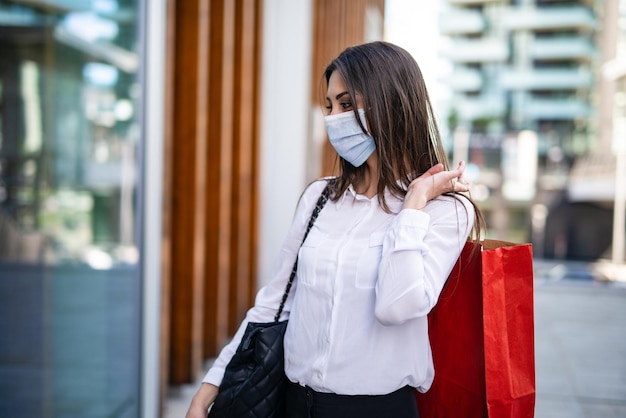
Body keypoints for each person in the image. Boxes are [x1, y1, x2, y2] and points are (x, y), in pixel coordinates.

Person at [185, 41, 484, 418]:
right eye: (329, 106)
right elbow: (274, 303)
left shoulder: (445, 210)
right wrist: (209, 389)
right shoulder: (319, 197)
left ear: (390, 103)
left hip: (377, 410)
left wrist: (412, 206)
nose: (333, 118)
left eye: (346, 104)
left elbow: (398, 306)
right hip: (293, 404)